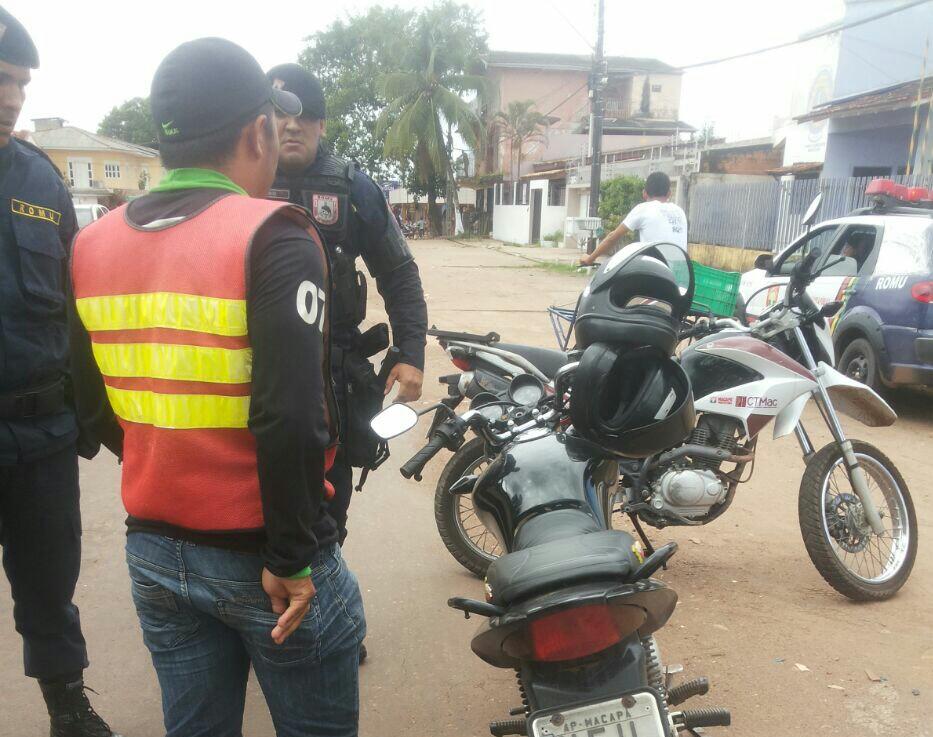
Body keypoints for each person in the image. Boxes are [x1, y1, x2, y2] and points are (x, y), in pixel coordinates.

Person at [68, 38, 364, 737]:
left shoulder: (90, 245)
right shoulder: (275, 235)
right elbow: (292, 414)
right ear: (255, 131)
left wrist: (175, 455)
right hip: (268, 556)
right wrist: (291, 554)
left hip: (157, 553)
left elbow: (92, 404)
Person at [0, 9, 121, 736]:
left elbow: (77, 313)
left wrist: (94, 415)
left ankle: (66, 703)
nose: (10, 95)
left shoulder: (41, 179)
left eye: (18, 82)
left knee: (50, 582)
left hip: (41, 430)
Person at [265, 64, 427, 547]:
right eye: (279, 114)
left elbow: (398, 272)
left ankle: (323, 609)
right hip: (256, 371)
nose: (292, 125)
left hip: (331, 380)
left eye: (306, 115)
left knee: (328, 521)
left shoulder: (353, 188)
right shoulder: (237, 182)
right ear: (261, 123)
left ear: (321, 125)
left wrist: (411, 352)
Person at [580, 171, 687, 266]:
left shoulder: (644, 208)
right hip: (683, 273)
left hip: (656, 270)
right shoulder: (680, 212)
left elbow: (613, 237)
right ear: (669, 193)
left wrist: (590, 259)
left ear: (644, 193)